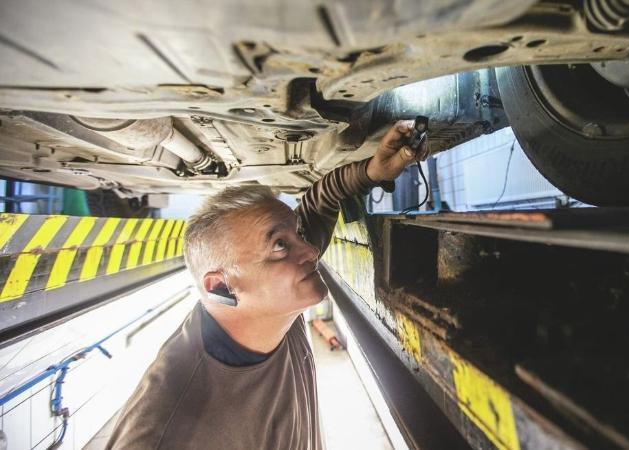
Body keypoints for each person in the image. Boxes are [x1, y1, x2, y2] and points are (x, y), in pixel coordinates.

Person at [106, 120, 427, 449]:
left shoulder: (267, 301)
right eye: (279, 245)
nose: (311, 251)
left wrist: (372, 172)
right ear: (221, 287)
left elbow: (319, 204)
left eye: (297, 235)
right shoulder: (167, 427)